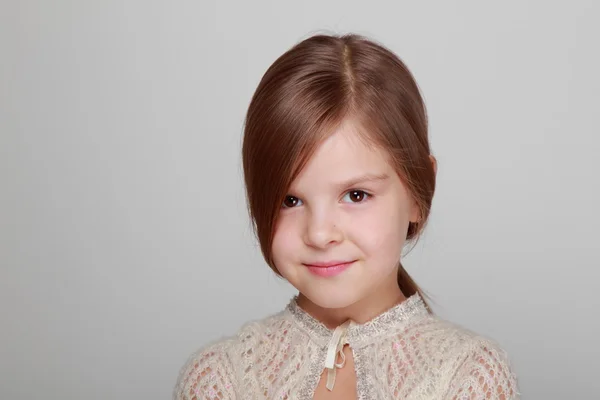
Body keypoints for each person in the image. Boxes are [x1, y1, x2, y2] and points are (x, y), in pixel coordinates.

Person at [173, 32, 520, 399]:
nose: (320, 234)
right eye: (289, 200)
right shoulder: (220, 377)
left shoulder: (467, 375)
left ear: (419, 191)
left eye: (356, 195)